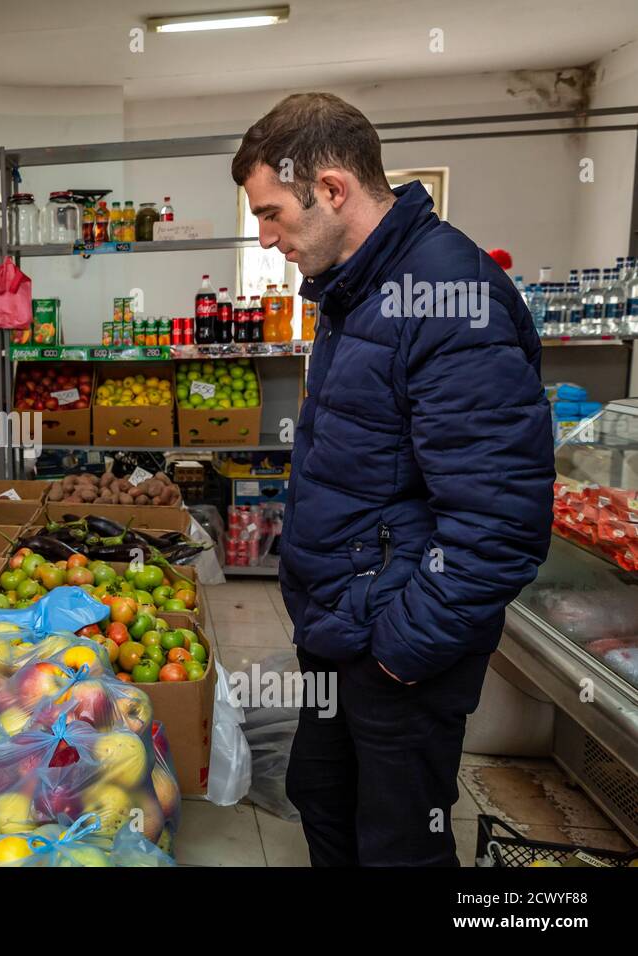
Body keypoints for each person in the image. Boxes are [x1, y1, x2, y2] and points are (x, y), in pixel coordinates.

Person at [231, 92, 555, 866]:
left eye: (273, 214)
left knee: (399, 841)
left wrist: (399, 648)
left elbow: (499, 524)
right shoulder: (357, 288)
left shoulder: (453, 298)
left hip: (397, 647)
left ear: (334, 189)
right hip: (342, 629)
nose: (268, 238)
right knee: (322, 796)